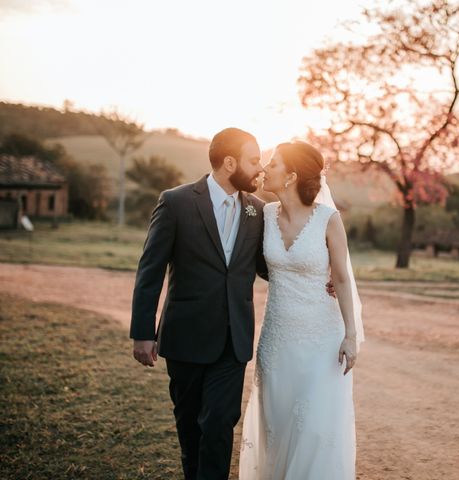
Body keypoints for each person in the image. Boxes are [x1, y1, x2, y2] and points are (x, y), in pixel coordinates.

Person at [129, 127, 268, 480]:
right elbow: (151, 267)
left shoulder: (258, 210)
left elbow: (272, 266)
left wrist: (318, 276)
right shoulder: (176, 202)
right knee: (191, 429)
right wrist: (142, 332)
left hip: (232, 341)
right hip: (185, 338)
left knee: (220, 425)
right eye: (254, 161)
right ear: (229, 162)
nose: (260, 168)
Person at [239, 140, 364, 480]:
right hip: (276, 341)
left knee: (313, 429)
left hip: (321, 340)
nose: (265, 169)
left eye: (273, 164)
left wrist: (351, 335)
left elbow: (340, 276)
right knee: (276, 426)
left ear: (291, 176)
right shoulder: (263, 215)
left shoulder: (328, 219)